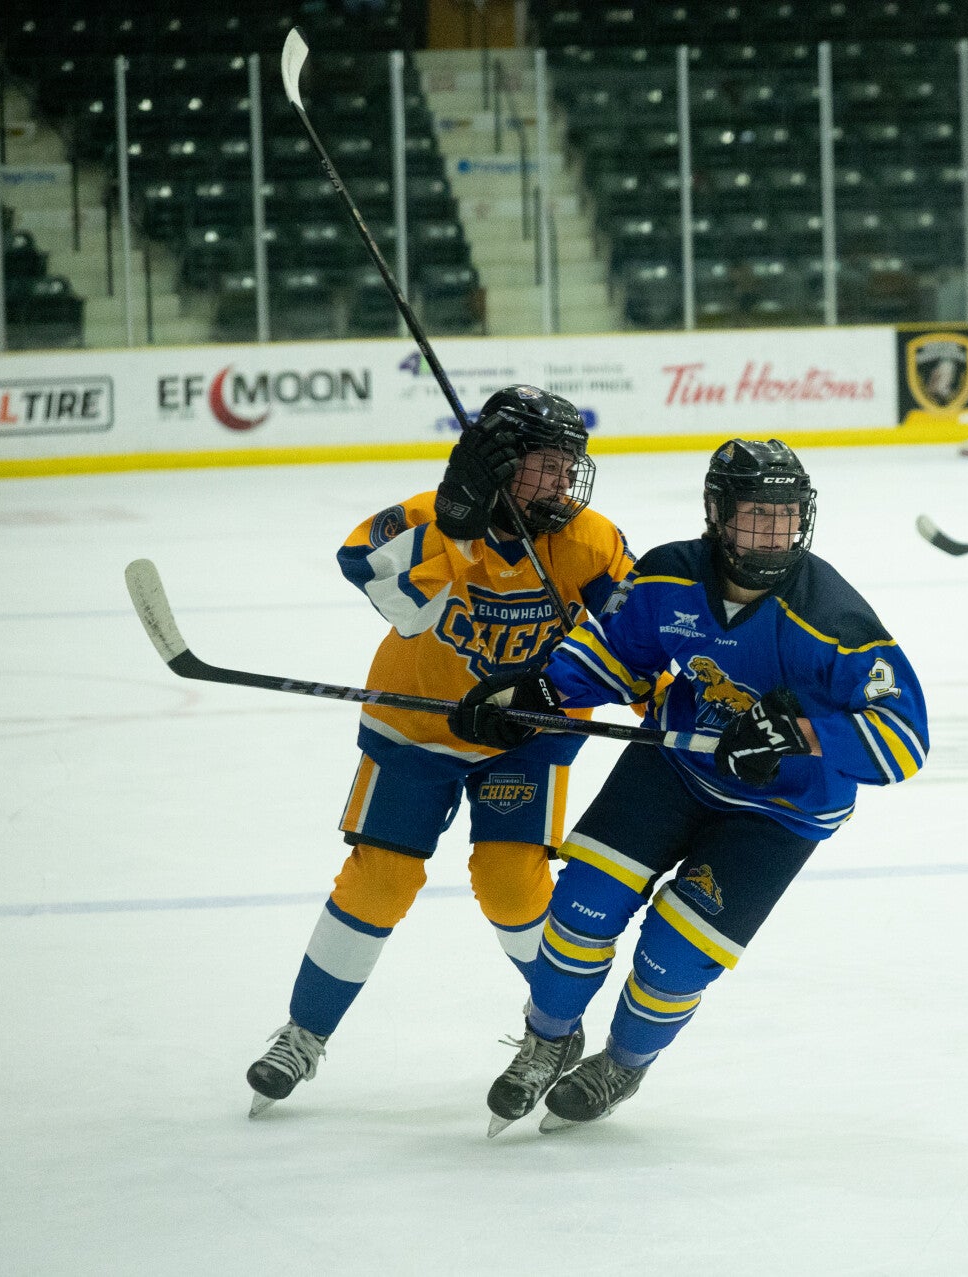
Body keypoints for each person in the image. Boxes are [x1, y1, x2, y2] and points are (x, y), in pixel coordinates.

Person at [450, 438, 929, 1134]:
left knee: (674, 957)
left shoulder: (833, 617)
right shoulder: (669, 574)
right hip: (675, 766)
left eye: (786, 516)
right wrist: (537, 692)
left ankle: (622, 1064)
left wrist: (799, 733)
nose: (774, 533)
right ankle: (549, 1037)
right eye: (755, 515)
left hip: (782, 810)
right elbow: (618, 653)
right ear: (717, 513)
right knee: (582, 906)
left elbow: (903, 739)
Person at [244, 386, 635, 1120]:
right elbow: (394, 598)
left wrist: (679, 708)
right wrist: (456, 527)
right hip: (413, 725)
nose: (562, 483)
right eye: (546, 467)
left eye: (568, 467)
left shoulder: (589, 540)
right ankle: (304, 1033)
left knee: (511, 883)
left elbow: (637, 638)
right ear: (502, 464)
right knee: (379, 880)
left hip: (527, 733)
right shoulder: (432, 515)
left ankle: (553, 1029)